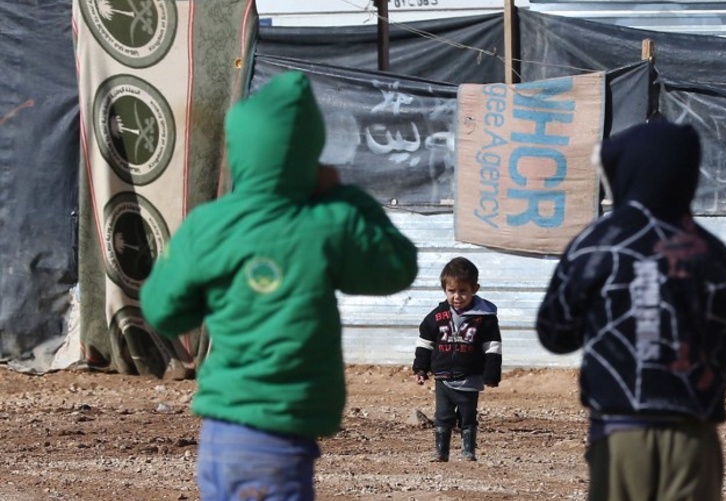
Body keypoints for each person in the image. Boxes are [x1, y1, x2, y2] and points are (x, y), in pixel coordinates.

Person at [139, 70, 418, 500]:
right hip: (277, 441)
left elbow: (163, 310)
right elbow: (397, 267)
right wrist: (346, 196)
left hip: (220, 436)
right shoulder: (328, 221)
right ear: (309, 152)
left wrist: (213, 298)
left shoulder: (207, 225)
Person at [536, 121, 726, 501]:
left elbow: (554, 333)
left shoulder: (594, 243)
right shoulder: (710, 252)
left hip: (619, 430)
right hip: (693, 431)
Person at [412, 257, 502, 462]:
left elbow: (492, 346)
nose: (457, 296)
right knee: (442, 415)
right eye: (451, 291)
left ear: (475, 289)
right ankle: (441, 451)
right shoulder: (437, 316)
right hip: (443, 377)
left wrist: (491, 373)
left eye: (463, 291)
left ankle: (468, 451)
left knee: (468, 415)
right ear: (444, 290)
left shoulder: (485, 318)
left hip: (469, 376)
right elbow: (425, 342)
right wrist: (420, 368)